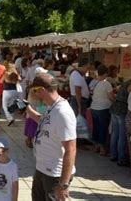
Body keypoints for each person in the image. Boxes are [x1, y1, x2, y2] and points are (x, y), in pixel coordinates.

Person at [25, 73, 76, 201]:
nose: (33, 93)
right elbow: (44, 121)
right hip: (42, 168)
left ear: (41, 90)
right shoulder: (51, 106)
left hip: (55, 175)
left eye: (34, 90)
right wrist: (27, 109)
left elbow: (71, 150)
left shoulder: (63, 113)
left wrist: (63, 184)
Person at [90, 65, 114, 156]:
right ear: (105, 73)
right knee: (103, 128)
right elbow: (111, 97)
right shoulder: (106, 83)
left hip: (94, 107)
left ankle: (96, 146)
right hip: (103, 108)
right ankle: (102, 149)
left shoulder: (95, 82)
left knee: (96, 127)